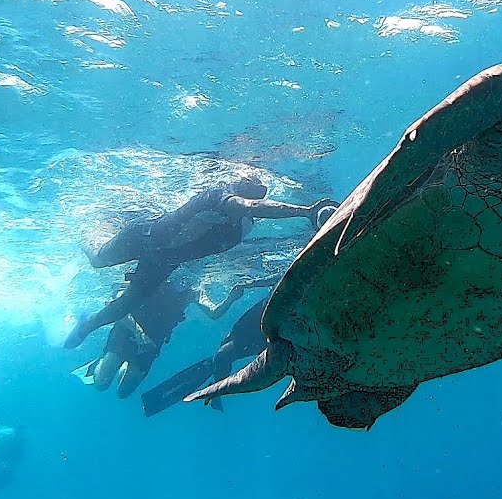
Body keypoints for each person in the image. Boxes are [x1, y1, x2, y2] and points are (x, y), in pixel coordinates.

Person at [64, 177, 337, 349]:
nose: (252, 202)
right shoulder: (216, 196)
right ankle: (86, 234)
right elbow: (251, 207)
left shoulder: (236, 232)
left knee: (127, 304)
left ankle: (86, 326)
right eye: (251, 194)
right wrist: (307, 212)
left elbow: (249, 215)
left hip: (162, 263)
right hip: (143, 236)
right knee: (98, 261)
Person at [74, 270, 278, 399]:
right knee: (101, 384)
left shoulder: (193, 291)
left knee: (123, 393)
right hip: (125, 332)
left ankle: (123, 364)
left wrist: (231, 299)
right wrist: (139, 333)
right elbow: (118, 308)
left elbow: (214, 313)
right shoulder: (152, 278)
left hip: (151, 345)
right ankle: (103, 359)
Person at [139, 280, 275, 417]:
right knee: (221, 355)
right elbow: (274, 278)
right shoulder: (170, 287)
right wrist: (247, 285)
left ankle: (216, 388)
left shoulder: (194, 291)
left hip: (269, 327)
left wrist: (241, 290)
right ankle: (216, 385)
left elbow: (275, 278)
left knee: (222, 356)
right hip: (258, 321)